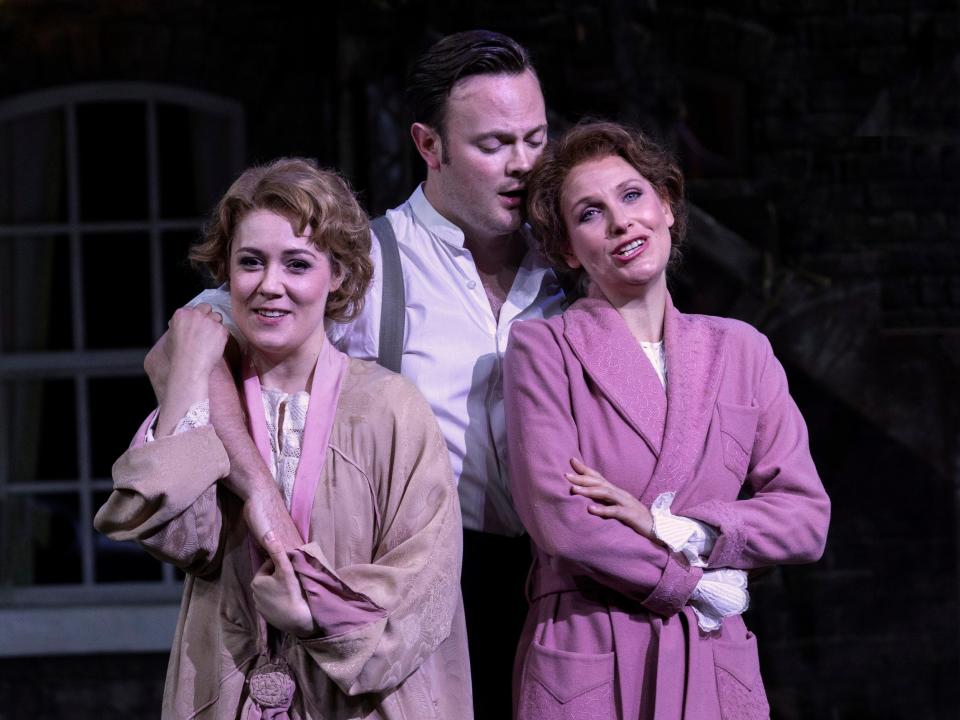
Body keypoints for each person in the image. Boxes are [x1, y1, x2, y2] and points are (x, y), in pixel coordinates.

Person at [147, 29, 564, 719]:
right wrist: (259, 494)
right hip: (425, 587)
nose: (522, 165)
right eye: (494, 145)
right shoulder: (365, 262)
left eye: (536, 139)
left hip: (555, 586)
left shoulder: (564, 266)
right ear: (429, 146)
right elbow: (192, 337)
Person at [94, 158, 472, 719]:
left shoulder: (391, 408)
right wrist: (186, 378)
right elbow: (177, 540)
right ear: (227, 271)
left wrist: (316, 616)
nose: (270, 285)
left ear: (337, 275)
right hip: (227, 690)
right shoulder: (211, 401)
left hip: (361, 701)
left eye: (297, 264)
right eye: (250, 262)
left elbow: (427, 581)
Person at [504, 121, 831, 719]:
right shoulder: (542, 349)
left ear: (668, 207)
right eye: (590, 213)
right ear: (568, 249)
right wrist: (696, 583)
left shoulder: (742, 349)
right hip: (591, 643)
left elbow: (805, 517)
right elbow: (564, 523)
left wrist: (676, 529)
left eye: (632, 195)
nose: (622, 221)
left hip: (710, 648)